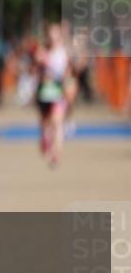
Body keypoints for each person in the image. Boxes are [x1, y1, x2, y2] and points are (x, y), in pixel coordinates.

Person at [34, 23, 77, 168]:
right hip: (44, 92)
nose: (53, 37)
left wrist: (69, 84)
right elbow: (36, 69)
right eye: (51, 34)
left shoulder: (64, 52)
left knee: (57, 123)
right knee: (45, 123)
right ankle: (44, 139)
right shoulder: (42, 51)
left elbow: (71, 71)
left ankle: (56, 155)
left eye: (56, 34)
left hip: (59, 91)